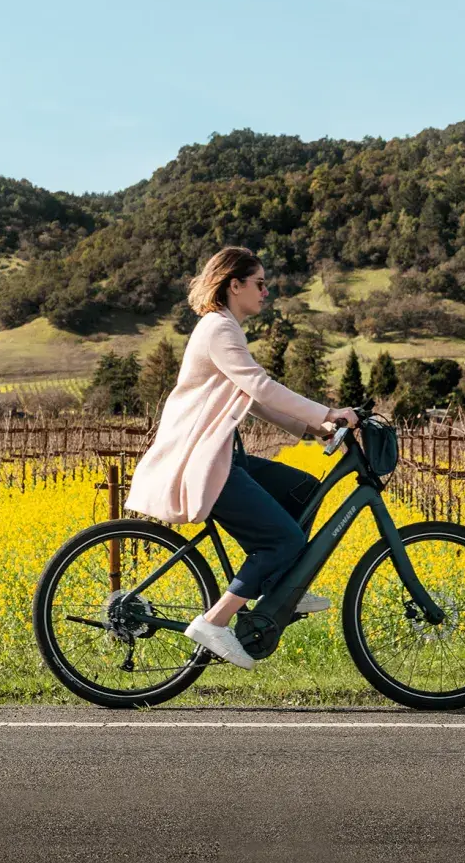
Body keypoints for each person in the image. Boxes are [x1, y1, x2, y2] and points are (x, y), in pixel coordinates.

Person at [122, 246, 359, 669]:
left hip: (222, 454)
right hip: (204, 459)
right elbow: (262, 387)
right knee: (283, 539)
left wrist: (313, 429)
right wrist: (327, 412)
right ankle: (214, 623)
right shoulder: (219, 329)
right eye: (260, 283)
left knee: (305, 490)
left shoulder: (225, 327)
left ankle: (279, 585)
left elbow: (251, 398)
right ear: (235, 284)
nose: (266, 292)